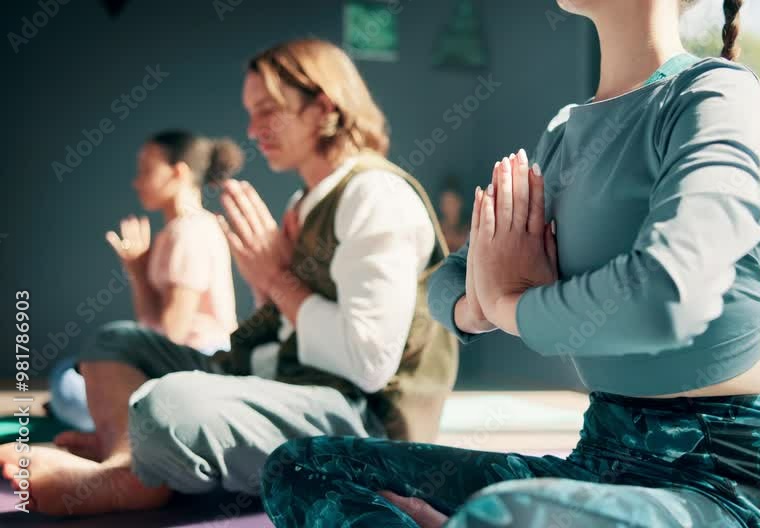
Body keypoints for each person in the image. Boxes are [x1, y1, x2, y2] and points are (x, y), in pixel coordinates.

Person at [259, 1, 760, 527]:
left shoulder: (717, 93)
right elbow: (447, 282)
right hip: (602, 458)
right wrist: (480, 306)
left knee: (505, 517)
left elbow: (667, 297)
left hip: (721, 484)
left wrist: (510, 306)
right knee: (301, 466)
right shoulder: (566, 133)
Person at [0, 38, 457, 516]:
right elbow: (285, 334)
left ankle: (137, 463)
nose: (253, 130)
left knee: (168, 406)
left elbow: (367, 363)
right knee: (114, 344)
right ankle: (131, 461)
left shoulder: (376, 195)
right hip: (289, 387)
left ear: (323, 107)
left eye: (267, 111)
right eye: (250, 113)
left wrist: (279, 279)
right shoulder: (306, 203)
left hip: (366, 424)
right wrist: (268, 284)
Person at [46, 130, 241, 432]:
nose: (137, 182)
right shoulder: (177, 231)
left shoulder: (189, 232)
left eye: (146, 170)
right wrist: (138, 271)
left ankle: (125, 420)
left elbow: (170, 337)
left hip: (199, 366)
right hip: (182, 364)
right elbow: (155, 329)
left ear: (178, 173)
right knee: (75, 372)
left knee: (66, 381)